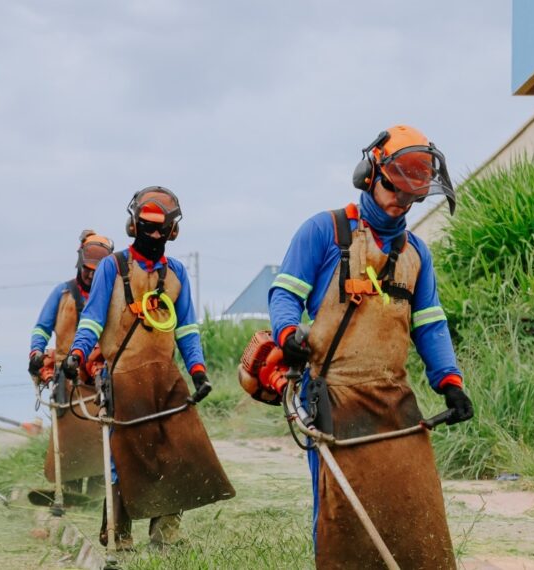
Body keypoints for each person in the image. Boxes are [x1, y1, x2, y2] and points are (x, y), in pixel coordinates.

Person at [267, 125, 474, 568]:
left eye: (412, 196)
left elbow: (430, 323)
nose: (401, 202)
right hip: (330, 394)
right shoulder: (325, 232)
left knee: (408, 502)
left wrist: (450, 381)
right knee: (339, 511)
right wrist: (289, 333)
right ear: (368, 175)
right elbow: (284, 294)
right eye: (394, 189)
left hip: (391, 396)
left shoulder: (415, 252)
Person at [63, 187, 235, 549]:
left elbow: (187, 327)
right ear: (133, 225)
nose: (154, 236)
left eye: (161, 230)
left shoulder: (176, 274)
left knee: (178, 452)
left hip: (165, 377)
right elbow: (93, 318)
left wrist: (199, 370)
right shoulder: (113, 266)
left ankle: (166, 534)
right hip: (121, 376)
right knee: (124, 454)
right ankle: (118, 534)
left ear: (173, 232)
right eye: (147, 227)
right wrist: (78, 353)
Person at [28, 230, 114, 495]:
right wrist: (36, 352)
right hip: (67, 376)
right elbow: (42, 328)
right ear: (80, 263)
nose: (90, 275)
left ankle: (99, 493)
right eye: (87, 269)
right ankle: (69, 490)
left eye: (96, 271)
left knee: (102, 435)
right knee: (68, 435)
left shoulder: (112, 295)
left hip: (100, 375)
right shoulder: (62, 293)